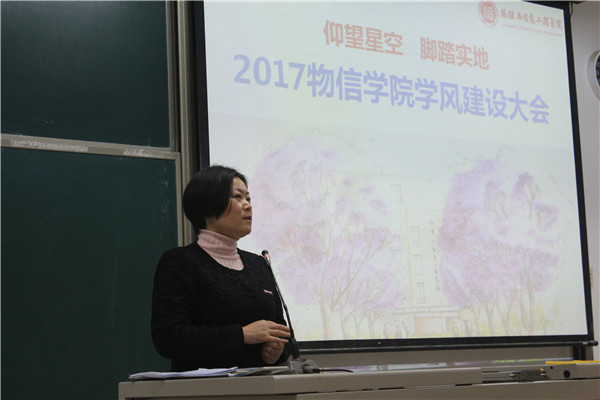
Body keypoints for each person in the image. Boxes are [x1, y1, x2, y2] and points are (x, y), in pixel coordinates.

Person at [151, 165, 291, 371]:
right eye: (238, 197)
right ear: (208, 204)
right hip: (204, 386)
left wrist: (277, 351)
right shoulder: (180, 262)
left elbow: (282, 333)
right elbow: (168, 338)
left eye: (249, 198)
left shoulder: (259, 264)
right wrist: (241, 335)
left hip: (261, 385)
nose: (248, 206)